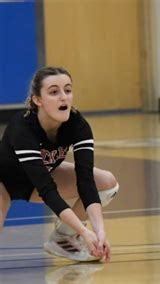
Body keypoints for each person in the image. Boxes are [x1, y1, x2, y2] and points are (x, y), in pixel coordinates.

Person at [0, 67, 119, 261]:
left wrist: (99, 231)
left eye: (68, 90)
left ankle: (62, 239)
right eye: (54, 92)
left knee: (106, 183)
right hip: (4, 180)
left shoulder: (78, 125)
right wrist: (83, 230)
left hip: (38, 180)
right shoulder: (22, 128)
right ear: (37, 100)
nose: (63, 97)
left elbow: (86, 181)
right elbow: (47, 190)